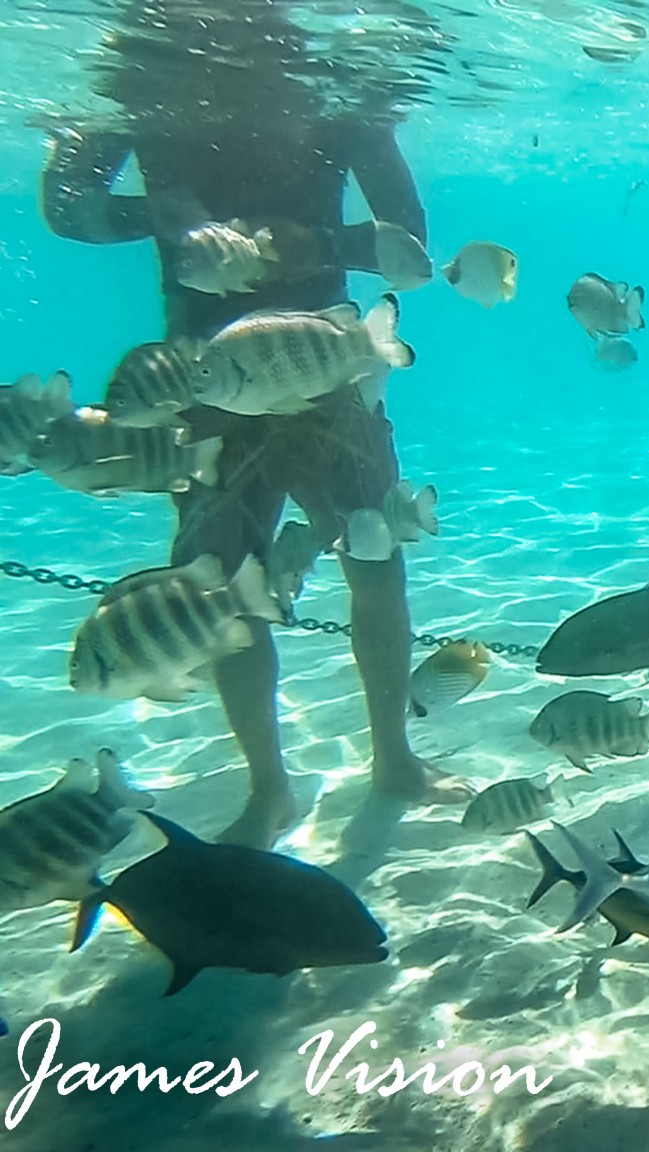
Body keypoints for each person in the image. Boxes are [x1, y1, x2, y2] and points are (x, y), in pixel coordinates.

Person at [41, 1, 460, 847]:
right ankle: (269, 790)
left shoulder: (333, 92)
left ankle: (394, 759)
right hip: (201, 381)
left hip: (325, 370)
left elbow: (408, 240)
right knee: (214, 578)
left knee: (372, 557)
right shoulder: (146, 77)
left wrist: (303, 243)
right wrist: (146, 217)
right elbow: (67, 206)